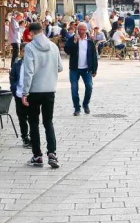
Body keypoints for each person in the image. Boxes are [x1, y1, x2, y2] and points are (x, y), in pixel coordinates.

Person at [19, 22, 64, 168]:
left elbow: (28, 71)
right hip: (50, 90)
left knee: (33, 122)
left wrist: (25, 91)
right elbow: (60, 67)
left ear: (31, 33)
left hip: (34, 90)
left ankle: (37, 155)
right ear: (42, 31)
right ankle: (52, 153)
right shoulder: (53, 46)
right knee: (48, 121)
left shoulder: (30, 47)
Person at [63, 22, 98, 116]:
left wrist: (94, 69)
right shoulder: (72, 39)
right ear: (77, 30)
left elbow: (94, 56)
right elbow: (67, 51)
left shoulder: (90, 41)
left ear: (86, 30)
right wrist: (74, 42)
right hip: (74, 68)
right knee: (74, 88)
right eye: (80, 29)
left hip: (86, 68)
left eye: (83, 29)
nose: (81, 31)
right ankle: (77, 108)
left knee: (89, 86)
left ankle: (85, 104)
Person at [9, 47, 31, 147]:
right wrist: (13, 87)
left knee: (32, 117)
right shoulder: (17, 64)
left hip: (31, 94)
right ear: (20, 52)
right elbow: (12, 77)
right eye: (23, 51)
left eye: (27, 51)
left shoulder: (33, 63)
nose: (25, 53)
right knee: (21, 117)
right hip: (19, 93)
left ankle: (32, 136)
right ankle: (25, 137)